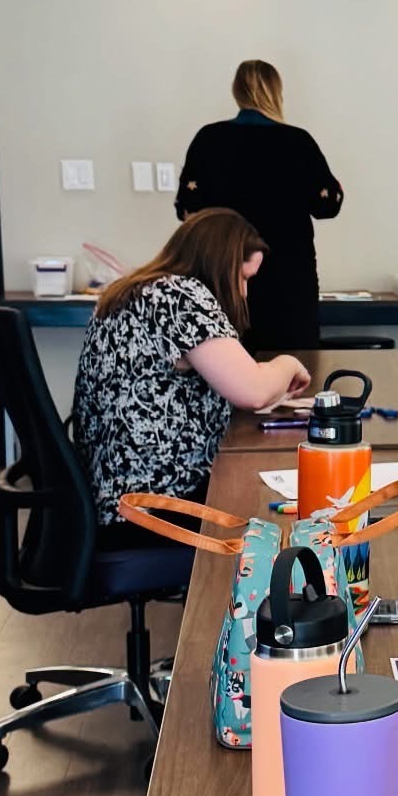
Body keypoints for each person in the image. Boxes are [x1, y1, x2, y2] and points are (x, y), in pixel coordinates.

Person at [73, 207, 310, 536]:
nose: (243, 293)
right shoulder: (180, 297)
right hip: (155, 506)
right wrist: (288, 364)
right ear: (219, 264)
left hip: (117, 495)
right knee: (284, 515)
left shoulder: (136, 291)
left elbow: (229, 374)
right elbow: (253, 390)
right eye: (242, 278)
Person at [175, 60, 342, 350]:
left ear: (236, 92)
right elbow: (327, 206)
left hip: (221, 275)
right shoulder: (298, 142)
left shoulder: (209, 140)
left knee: (221, 368)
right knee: (294, 369)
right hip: (289, 280)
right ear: (277, 92)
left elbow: (187, 209)